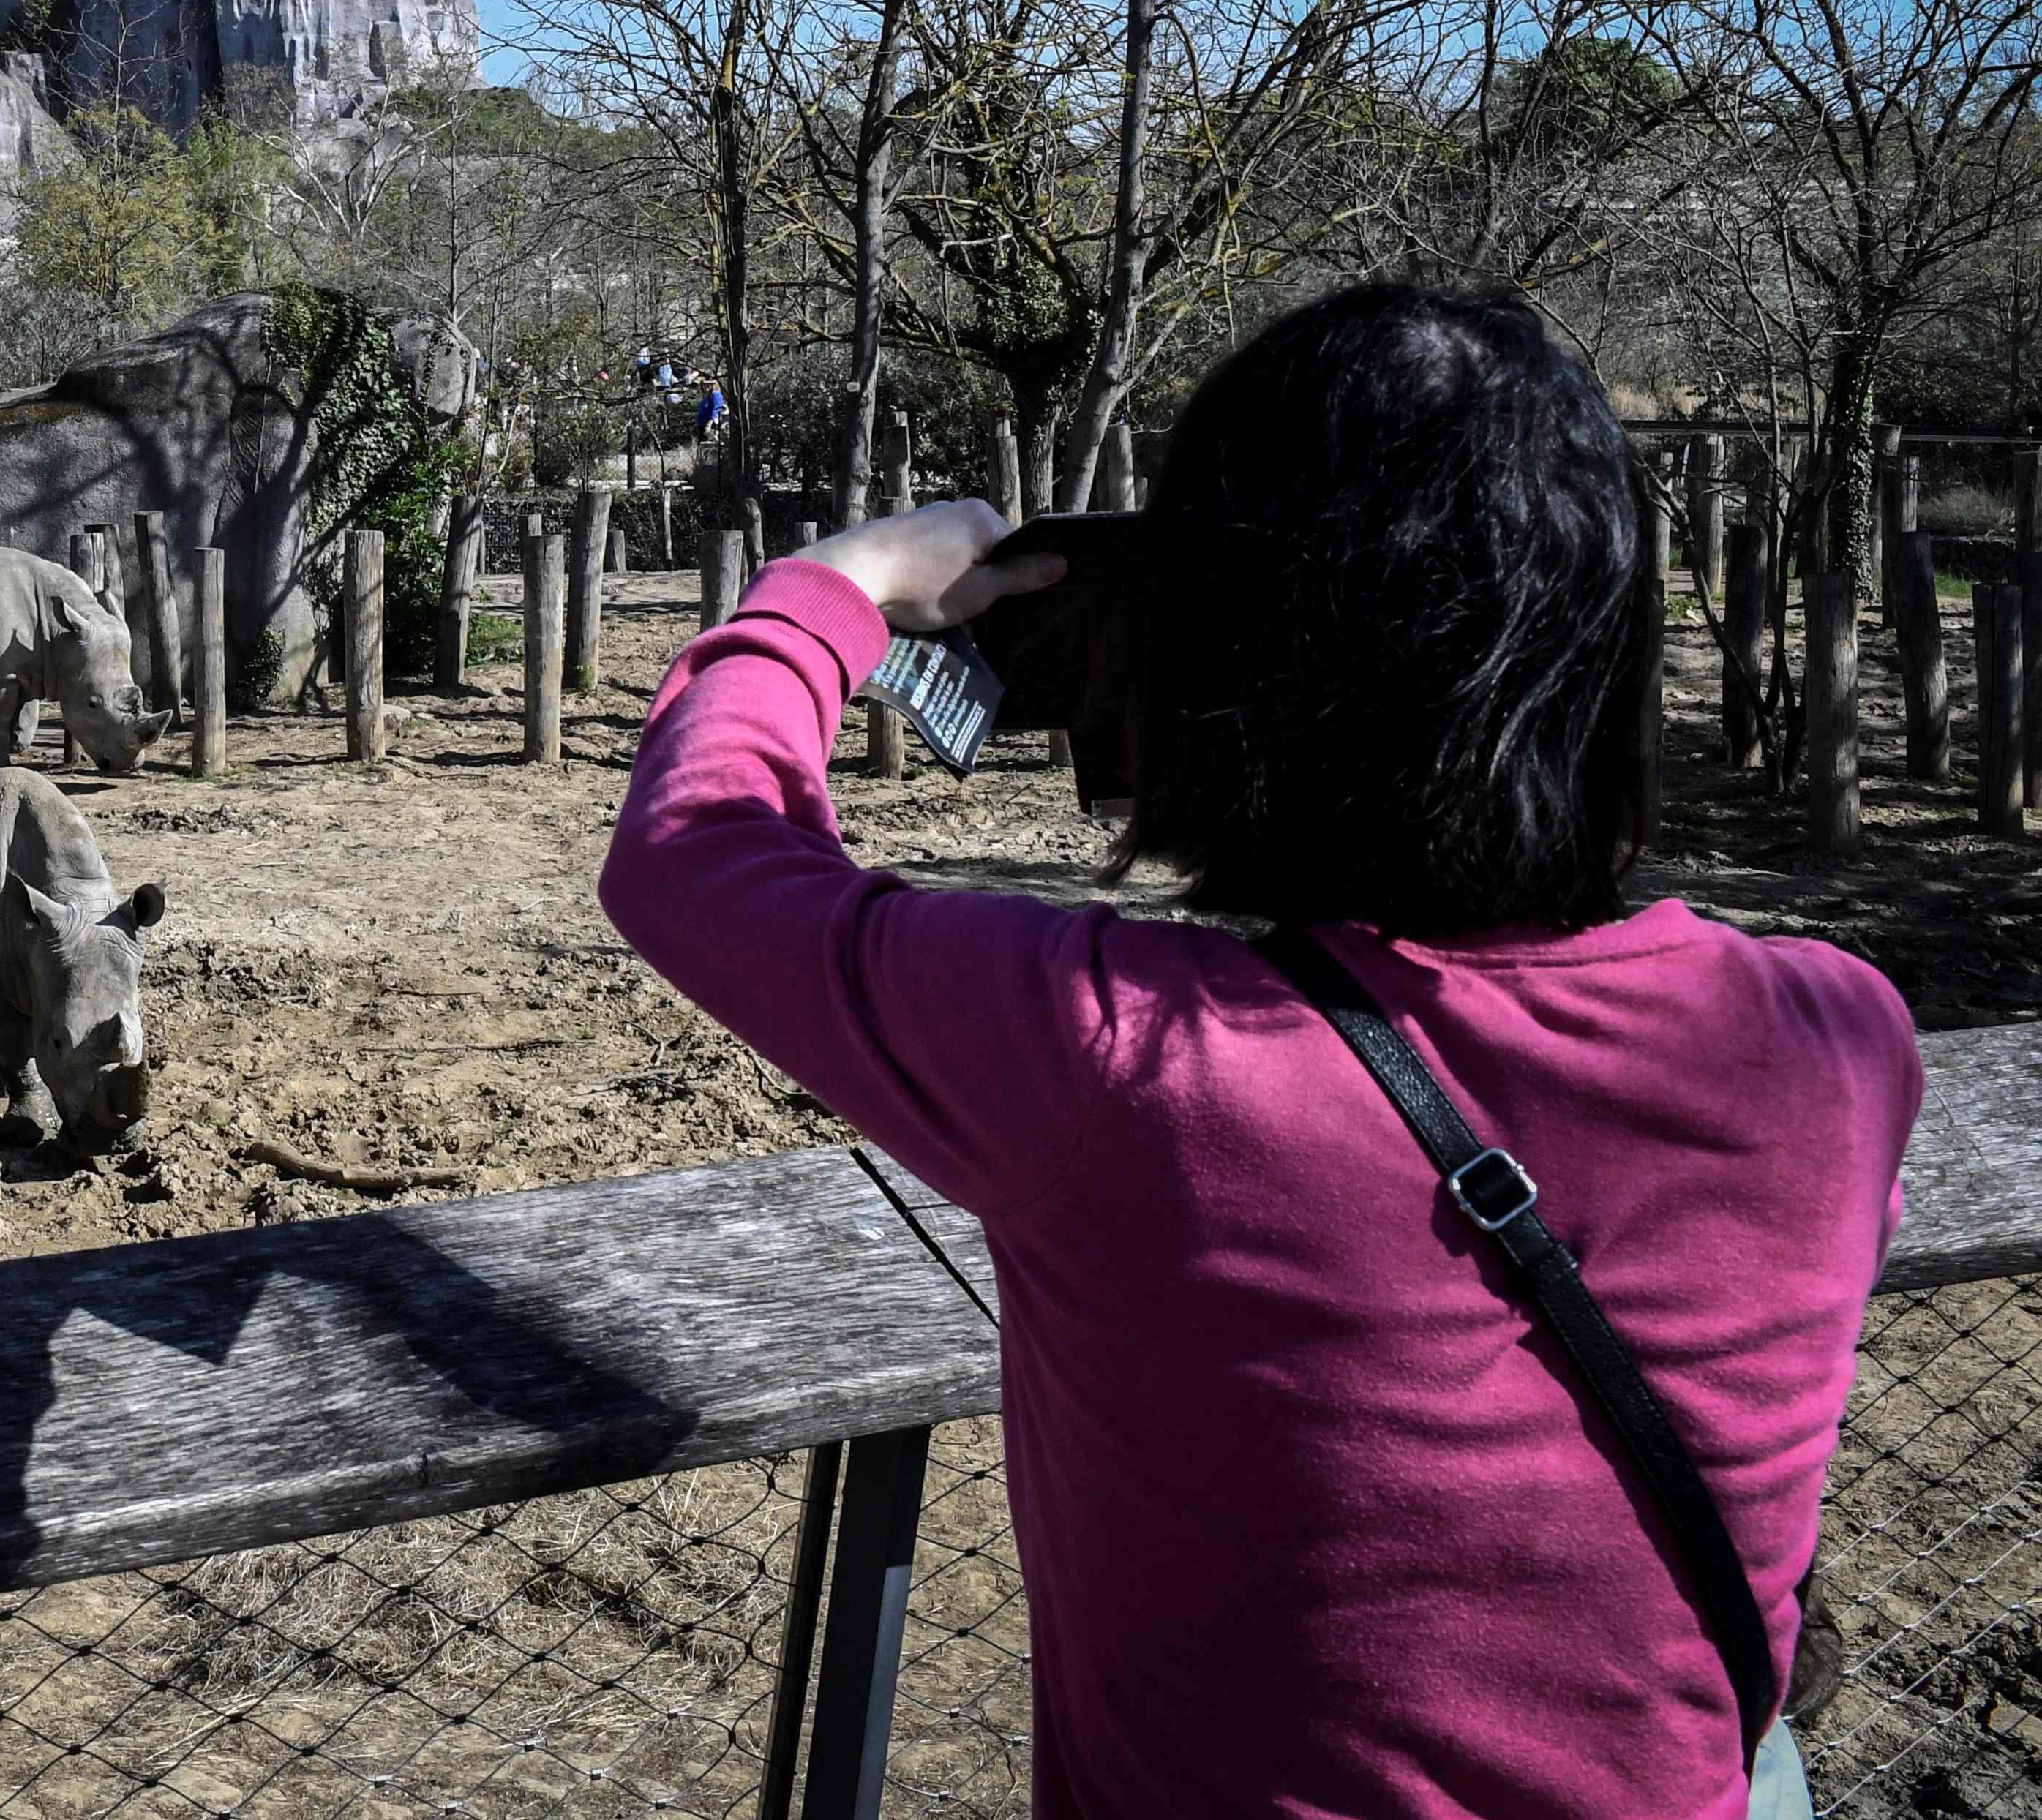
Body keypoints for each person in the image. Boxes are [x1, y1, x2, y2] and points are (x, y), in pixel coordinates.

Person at [599, 283, 1913, 1818]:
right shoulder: (1840, 1041)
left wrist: (835, 584)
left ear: (1224, 654)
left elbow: (694, 855)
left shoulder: (1119, 1057)